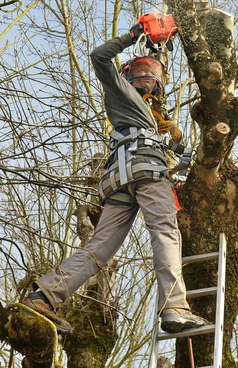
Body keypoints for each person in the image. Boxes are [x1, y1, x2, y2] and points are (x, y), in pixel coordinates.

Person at [23, 24, 208, 335]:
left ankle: (44, 296)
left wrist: (182, 151)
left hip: (119, 180)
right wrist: (133, 34)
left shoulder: (149, 119)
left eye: (153, 71)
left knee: (100, 248)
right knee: (165, 231)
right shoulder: (122, 93)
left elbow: (182, 152)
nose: (148, 76)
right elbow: (99, 57)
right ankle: (174, 306)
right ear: (126, 76)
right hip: (145, 173)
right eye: (140, 70)